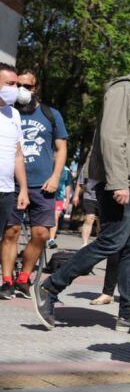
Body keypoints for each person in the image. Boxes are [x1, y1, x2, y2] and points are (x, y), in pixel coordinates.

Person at [31, 48, 130, 331]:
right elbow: (112, 138)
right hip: (125, 182)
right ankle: (50, 287)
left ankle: (129, 312)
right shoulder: (124, 91)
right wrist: (119, 181)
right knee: (111, 242)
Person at [2, 67, 68, 299]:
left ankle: (24, 278)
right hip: (12, 185)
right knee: (11, 232)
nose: (21, 90)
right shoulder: (8, 113)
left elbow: (61, 149)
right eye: (16, 85)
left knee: (41, 234)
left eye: (27, 86)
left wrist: (55, 177)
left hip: (43, 185)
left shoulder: (51, 114)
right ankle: (7, 280)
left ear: (36, 88)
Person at [0, 66, 29, 252]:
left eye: (16, 85)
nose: (15, 89)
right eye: (10, 84)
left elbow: (18, 155)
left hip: (7, 190)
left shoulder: (15, 114)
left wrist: (23, 190)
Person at [72, 158, 99, 247]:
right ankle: (84, 244)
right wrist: (76, 196)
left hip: (102, 197)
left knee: (101, 222)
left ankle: (100, 244)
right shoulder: (87, 166)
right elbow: (80, 182)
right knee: (89, 219)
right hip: (89, 195)